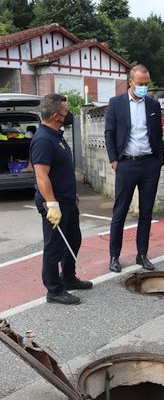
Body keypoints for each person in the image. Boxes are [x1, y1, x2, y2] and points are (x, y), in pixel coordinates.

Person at [30, 94, 92, 305]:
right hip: (53, 203)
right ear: (56, 116)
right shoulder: (43, 139)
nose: (69, 115)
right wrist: (52, 204)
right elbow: (41, 175)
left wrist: (71, 195)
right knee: (54, 246)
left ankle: (68, 278)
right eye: (66, 112)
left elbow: (61, 170)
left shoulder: (56, 135)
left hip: (67, 200)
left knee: (74, 240)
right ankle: (54, 290)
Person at [105, 64, 164, 273]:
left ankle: (142, 254)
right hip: (126, 164)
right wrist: (114, 160)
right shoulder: (116, 103)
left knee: (146, 213)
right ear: (130, 82)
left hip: (149, 164)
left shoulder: (153, 105)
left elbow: (157, 134)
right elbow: (109, 133)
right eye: (140, 84)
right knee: (120, 212)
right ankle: (114, 256)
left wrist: (159, 162)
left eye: (146, 84)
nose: (144, 88)